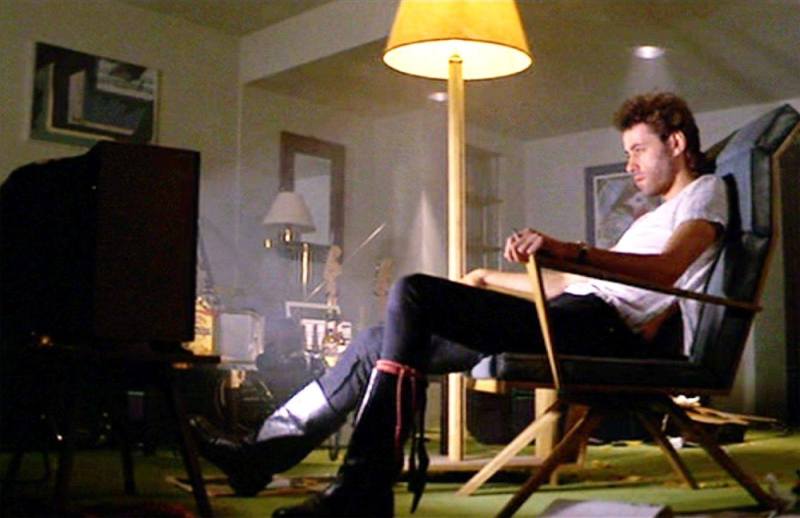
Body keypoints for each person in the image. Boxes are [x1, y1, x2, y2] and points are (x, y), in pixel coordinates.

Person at [190, 92, 728, 517]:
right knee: (376, 341)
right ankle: (260, 456)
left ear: (676, 142)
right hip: (574, 315)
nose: (630, 163)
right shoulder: (652, 216)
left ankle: (363, 486)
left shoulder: (703, 192)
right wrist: (488, 277)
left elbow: (667, 270)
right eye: (627, 152)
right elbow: (570, 285)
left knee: (414, 291)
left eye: (638, 149)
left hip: (603, 333)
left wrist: (570, 248)